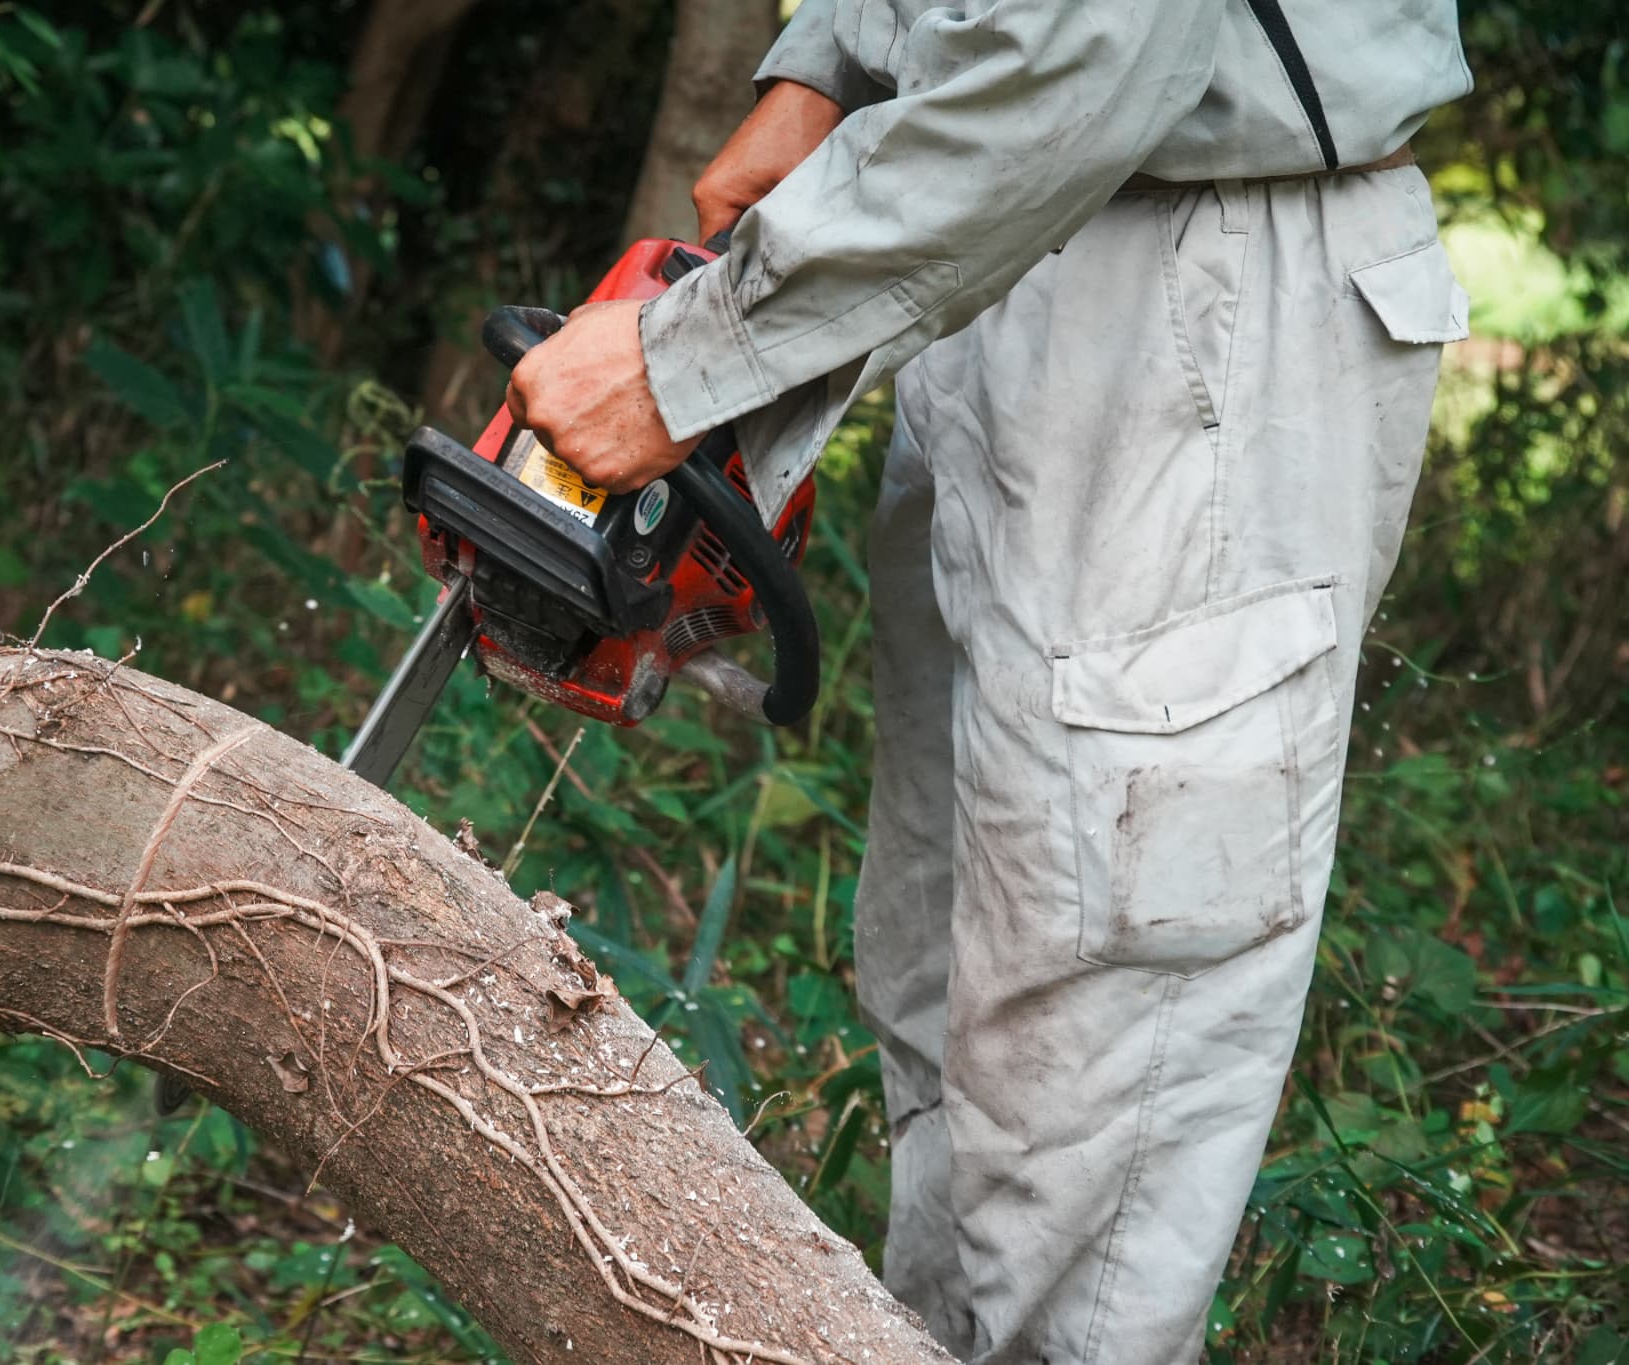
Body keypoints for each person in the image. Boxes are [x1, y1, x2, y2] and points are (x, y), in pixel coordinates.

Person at [503, 2, 1473, 1361]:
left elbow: (1093, 38)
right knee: (957, 980)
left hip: (1195, 279)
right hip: (1006, 226)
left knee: (1093, 1041)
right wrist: (839, 65)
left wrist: (691, 357)